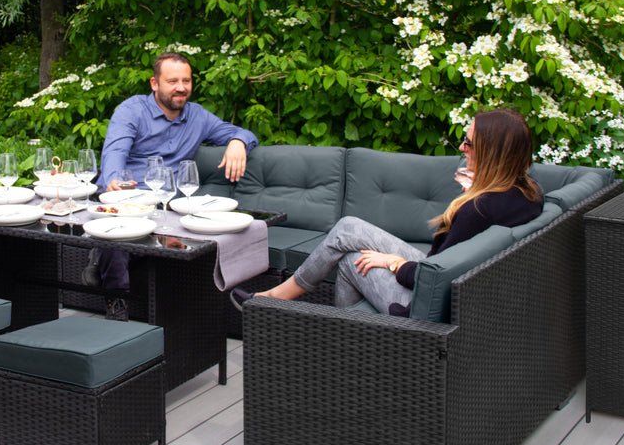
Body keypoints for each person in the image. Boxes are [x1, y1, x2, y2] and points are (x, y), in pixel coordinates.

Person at [229, 108, 543, 318]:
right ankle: (282, 301)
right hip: (464, 295)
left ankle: (296, 312)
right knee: (349, 229)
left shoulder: (479, 207)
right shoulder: (526, 193)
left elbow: (437, 277)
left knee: (353, 260)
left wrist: (395, 263)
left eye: (469, 143)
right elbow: (448, 261)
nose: (462, 148)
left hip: (428, 307)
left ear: (492, 153)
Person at [88, 51, 258, 320]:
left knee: (201, 232)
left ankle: (100, 261)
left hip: (169, 205)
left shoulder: (197, 116)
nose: (181, 88)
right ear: (154, 83)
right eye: (173, 81)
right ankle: (117, 303)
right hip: (127, 197)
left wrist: (238, 143)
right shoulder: (132, 110)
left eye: (187, 81)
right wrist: (112, 181)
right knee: (119, 233)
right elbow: (115, 151)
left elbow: (243, 133)